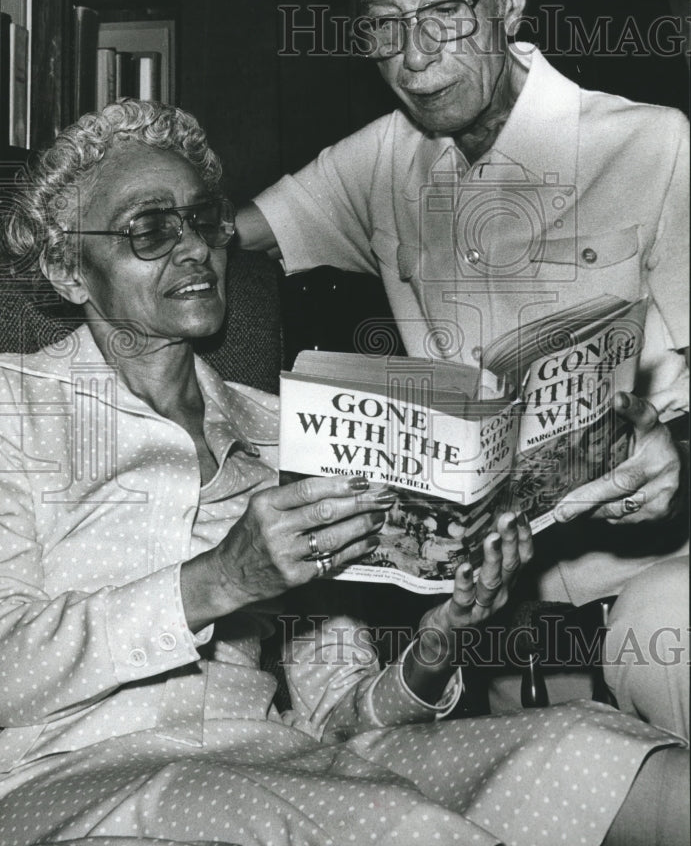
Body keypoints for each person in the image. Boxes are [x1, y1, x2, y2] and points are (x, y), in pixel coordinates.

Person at [0, 99, 687, 846]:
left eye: (203, 220)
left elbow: (338, 717)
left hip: (286, 762)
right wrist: (218, 581)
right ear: (69, 270)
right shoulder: (14, 405)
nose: (194, 247)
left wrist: (441, 637)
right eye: (150, 228)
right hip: (69, 776)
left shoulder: (288, 425)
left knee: (593, 755)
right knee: (383, 819)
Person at [236, 0, 689, 735]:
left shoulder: (657, 145)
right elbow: (208, 242)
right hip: (473, 633)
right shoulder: (375, 162)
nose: (414, 55)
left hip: (651, 591)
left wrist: (679, 467)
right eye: (382, 21)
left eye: (443, 8)